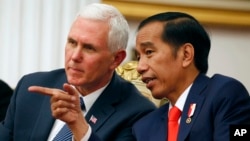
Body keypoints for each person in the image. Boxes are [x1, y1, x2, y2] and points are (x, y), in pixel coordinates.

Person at [0, 3, 156, 141]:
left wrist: (80, 128)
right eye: (72, 42)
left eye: (89, 48)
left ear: (116, 59)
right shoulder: (30, 89)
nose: (74, 56)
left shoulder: (139, 114)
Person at [132, 11, 250, 141]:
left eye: (149, 52)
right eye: (138, 57)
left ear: (186, 55)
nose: (140, 67)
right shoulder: (144, 127)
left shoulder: (225, 94)